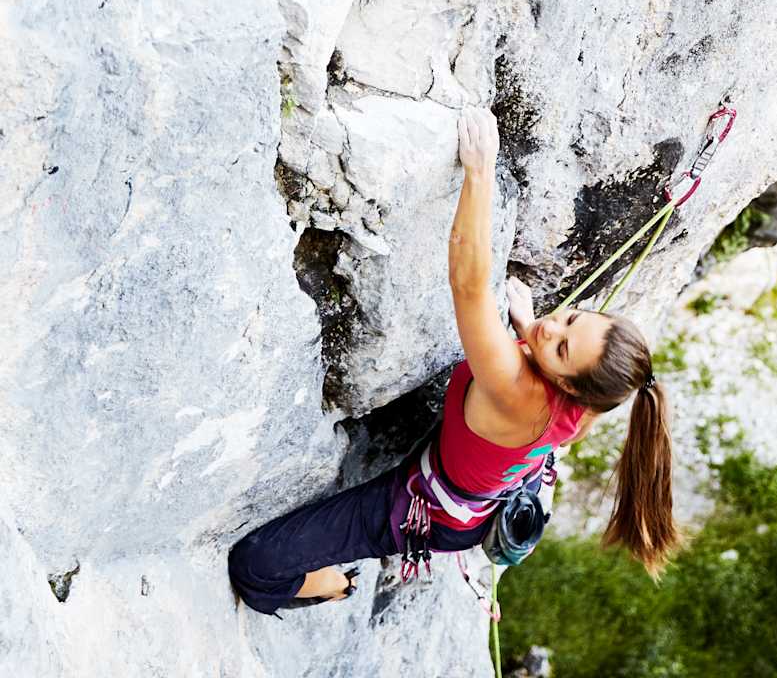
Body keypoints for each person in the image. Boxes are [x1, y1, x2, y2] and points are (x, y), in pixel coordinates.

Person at [227, 107, 678, 616]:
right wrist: (532, 328)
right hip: (470, 474)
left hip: (428, 512)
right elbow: (551, 349)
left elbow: (468, 284)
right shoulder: (593, 401)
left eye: (560, 348)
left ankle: (336, 586)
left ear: (571, 388)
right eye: (572, 318)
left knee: (256, 564)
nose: (554, 327)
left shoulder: (513, 388)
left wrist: (480, 171)